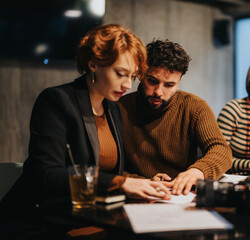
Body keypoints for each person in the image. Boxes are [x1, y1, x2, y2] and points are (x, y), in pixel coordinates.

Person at [0, 24, 170, 238]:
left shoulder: (112, 109)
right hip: (42, 221)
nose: (128, 84)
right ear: (93, 64)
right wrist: (123, 183)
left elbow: (106, 172)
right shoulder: (56, 101)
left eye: (133, 76)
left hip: (91, 217)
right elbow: (47, 174)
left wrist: (142, 182)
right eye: (120, 73)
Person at [117, 40, 232, 195]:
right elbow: (109, 167)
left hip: (182, 194)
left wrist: (197, 171)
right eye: (152, 81)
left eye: (169, 85)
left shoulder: (195, 107)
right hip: (136, 193)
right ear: (141, 73)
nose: (158, 92)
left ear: (179, 82)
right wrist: (142, 181)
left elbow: (221, 149)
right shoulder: (119, 108)